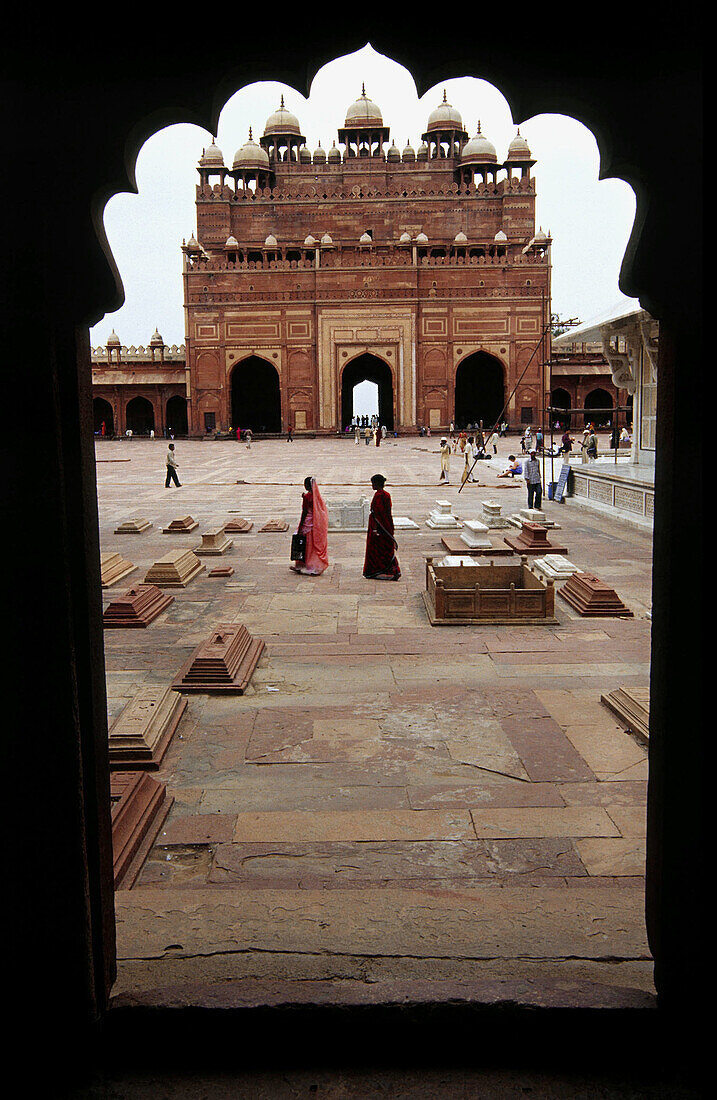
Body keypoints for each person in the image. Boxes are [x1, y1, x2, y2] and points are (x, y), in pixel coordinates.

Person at [363, 474, 400, 581]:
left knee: (377, 549)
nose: (372, 486)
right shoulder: (386, 494)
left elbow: (378, 514)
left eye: (373, 483)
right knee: (384, 548)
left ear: (377, 484)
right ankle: (388, 570)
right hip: (386, 525)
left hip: (378, 527)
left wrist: (375, 529)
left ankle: (378, 570)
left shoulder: (379, 496)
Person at [291, 476, 329, 575]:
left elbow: (305, 511)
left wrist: (301, 525)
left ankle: (303, 564)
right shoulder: (317, 497)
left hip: (308, 522)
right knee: (312, 546)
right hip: (314, 523)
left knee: (305, 545)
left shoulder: (307, 497)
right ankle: (315, 565)